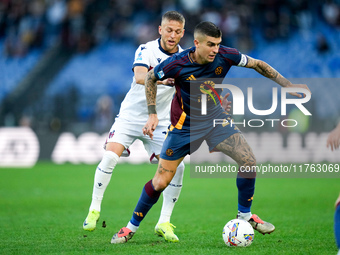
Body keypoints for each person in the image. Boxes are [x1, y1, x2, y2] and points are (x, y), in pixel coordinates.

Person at [110, 21, 311, 244]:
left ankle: (245, 216)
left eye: (218, 44)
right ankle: (130, 228)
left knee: (248, 161)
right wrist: (152, 113)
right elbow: (150, 78)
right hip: (183, 127)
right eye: (211, 44)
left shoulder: (226, 55)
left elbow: (258, 64)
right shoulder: (176, 63)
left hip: (215, 120)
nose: (216, 49)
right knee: (160, 182)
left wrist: (288, 86)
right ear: (196, 43)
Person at [82, 11, 186, 243]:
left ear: (183, 33)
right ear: (160, 30)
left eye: (177, 31)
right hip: (131, 117)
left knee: (177, 168)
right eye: (169, 29)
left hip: (161, 121)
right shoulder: (145, 49)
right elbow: (140, 76)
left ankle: (164, 221)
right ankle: (94, 208)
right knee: (110, 157)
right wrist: (164, 80)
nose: (172, 35)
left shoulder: (184, 58)